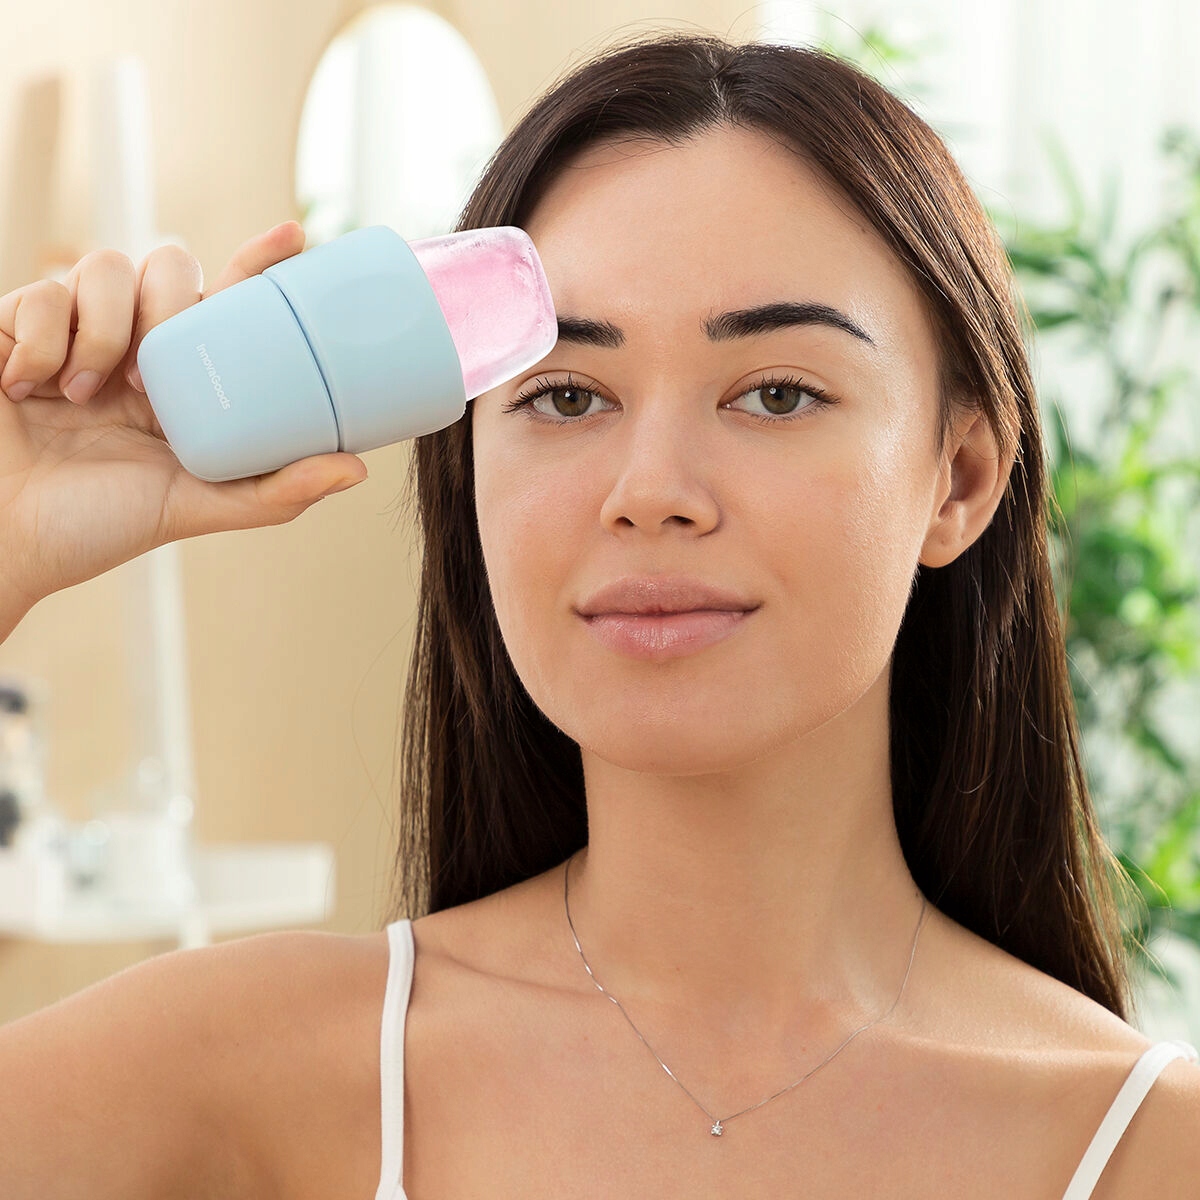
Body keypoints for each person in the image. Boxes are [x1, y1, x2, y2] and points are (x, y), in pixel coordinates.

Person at [0, 28, 1197, 1200]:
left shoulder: (1146, 1147)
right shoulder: (248, 1068)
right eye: (568, 397)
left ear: (961, 479)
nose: (651, 490)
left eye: (778, 394)